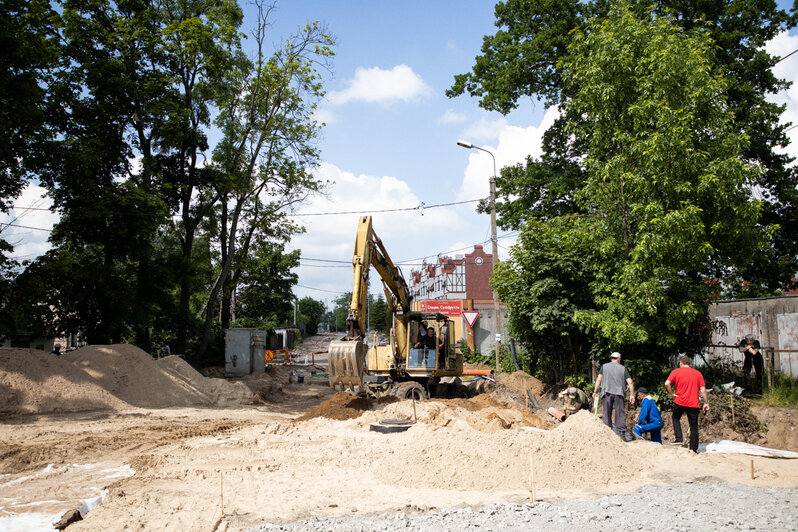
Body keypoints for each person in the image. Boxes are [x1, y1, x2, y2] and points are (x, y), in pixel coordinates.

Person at [665, 355, 710, 452]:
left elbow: (667, 383)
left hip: (680, 401)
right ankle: (694, 449)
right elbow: (703, 390)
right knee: (693, 426)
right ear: (690, 363)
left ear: (680, 363)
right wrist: (706, 403)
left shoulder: (676, 372)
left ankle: (679, 438)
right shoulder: (697, 373)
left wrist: (672, 394)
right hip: (693, 404)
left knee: (675, 417)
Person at [593, 351, 635, 440]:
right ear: (619, 359)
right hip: (619, 393)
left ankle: (607, 432)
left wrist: (595, 391)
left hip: (606, 392)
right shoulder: (623, 368)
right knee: (620, 413)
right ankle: (621, 433)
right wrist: (632, 395)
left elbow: (598, 379)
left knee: (607, 412)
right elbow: (630, 382)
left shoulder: (604, 367)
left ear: (611, 358)